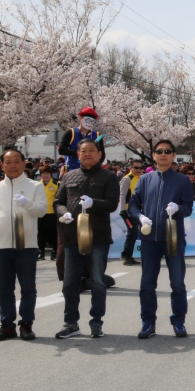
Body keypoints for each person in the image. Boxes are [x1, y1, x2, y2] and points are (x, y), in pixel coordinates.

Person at [128, 139, 195, 339]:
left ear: (174, 155)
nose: (163, 154)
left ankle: (178, 322)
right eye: (159, 151)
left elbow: (188, 207)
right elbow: (133, 204)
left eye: (167, 151)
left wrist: (178, 209)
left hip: (173, 237)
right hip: (149, 240)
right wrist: (140, 217)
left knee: (177, 282)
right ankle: (148, 322)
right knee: (147, 283)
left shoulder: (182, 180)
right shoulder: (145, 180)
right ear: (153, 155)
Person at [53, 139, 120, 339]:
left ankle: (96, 322)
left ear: (100, 154)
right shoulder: (68, 176)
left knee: (98, 282)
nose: (87, 154)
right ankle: (70, 322)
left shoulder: (109, 177)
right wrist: (63, 213)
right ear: (78, 154)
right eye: (83, 151)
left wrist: (93, 203)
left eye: (92, 150)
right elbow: (58, 201)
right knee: (70, 283)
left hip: (97, 237)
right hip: (72, 237)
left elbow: (112, 204)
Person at [0, 149, 48, 342]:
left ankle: (26, 324)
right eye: (8, 162)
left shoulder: (34, 186)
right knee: (4, 289)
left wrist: (27, 203)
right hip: (0, 246)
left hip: (26, 245)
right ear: (1, 165)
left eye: (16, 161)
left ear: (24, 163)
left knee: (27, 288)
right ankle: (7, 326)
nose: (12, 165)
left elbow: (42, 211)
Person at [57, 107, 105, 171]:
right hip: (72, 169)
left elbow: (102, 154)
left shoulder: (98, 135)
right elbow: (61, 150)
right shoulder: (71, 132)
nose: (89, 123)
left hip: (92, 170)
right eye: (87, 120)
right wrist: (79, 153)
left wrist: (97, 166)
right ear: (80, 118)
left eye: (92, 121)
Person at [118, 160, 144, 265]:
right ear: (130, 168)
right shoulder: (127, 179)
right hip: (128, 211)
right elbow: (122, 195)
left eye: (140, 168)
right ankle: (125, 255)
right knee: (132, 233)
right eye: (136, 168)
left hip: (137, 210)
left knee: (134, 233)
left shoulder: (142, 178)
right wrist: (123, 210)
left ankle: (128, 256)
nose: (138, 170)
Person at [37, 167, 58, 261]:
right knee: (41, 234)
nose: (45, 175)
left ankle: (55, 252)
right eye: (43, 173)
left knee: (54, 234)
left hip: (52, 213)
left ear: (51, 174)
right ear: (40, 175)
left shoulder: (56, 184)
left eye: (47, 173)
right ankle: (41, 252)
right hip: (40, 212)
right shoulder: (37, 185)